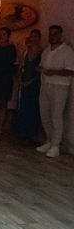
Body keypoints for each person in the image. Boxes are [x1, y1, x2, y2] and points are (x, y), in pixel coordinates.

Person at [36, 25, 74, 158]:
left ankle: (56, 145)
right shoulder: (46, 51)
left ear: (60, 35)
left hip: (60, 86)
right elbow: (42, 65)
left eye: (55, 34)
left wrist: (54, 72)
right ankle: (50, 140)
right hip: (45, 85)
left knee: (56, 115)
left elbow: (71, 71)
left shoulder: (67, 51)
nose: (52, 36)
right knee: (44, 114)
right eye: (51, 34)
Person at [17, 29, 43, 143]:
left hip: (35, 84)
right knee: (23, 108)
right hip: (24, 83)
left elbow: (40, 71)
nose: (34, 38)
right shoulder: (26, 52)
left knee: (33, 108)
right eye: (32, 36)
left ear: (39, 38)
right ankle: (23, 133)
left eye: (36, 36)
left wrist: (30, 81)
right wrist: (20, 80)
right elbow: (21, 67)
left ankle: (31, 134)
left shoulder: (42, 52)